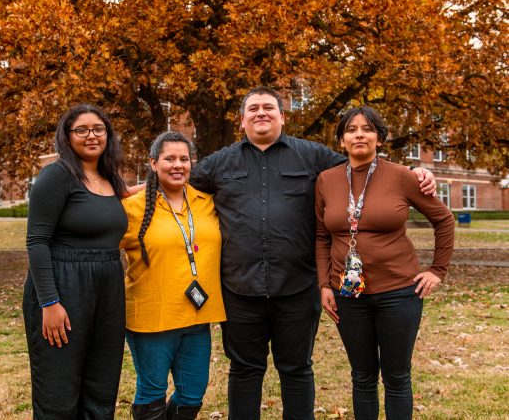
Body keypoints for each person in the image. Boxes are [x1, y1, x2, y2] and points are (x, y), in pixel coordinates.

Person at [189, 86, 436, 420]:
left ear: (282, 116)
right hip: (239, 287)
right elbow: (173, 179)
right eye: (253, 109)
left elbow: (364, 164)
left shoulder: (312, 156)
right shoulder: (219, 162)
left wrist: (415, 172)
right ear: (242, 119)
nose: (261, 113)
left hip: (297, 287)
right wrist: (118, 191)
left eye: (269, 108)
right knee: (245, 370)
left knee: (296, 369)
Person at [315, 106, 455, 420]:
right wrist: (324, 284)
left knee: (396, 377)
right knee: (362, 375)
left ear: (379, 138)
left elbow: (444, 220)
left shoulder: (402, 177)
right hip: (348, 295)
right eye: (351, 129)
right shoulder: (326, 180)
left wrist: (437, 270)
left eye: (367, 129)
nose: (359, 134)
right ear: (341, 141)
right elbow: (322, 236)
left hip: (399, 293)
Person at [22, 104, 128, 419]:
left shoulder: (108, 177)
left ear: (108, 135)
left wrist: (165, 182)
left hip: (108, 288)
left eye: (99, 128)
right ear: (67, 137)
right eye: (81, 130)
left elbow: (122, 202)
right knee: (59, 393)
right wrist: (50, 303)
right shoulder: (57, 175)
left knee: (101, 389)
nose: (91, 135)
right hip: (64, 287)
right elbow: (37, 241)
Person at [121, 131, 226, 420]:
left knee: (192, 393)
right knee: (152, 392)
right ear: (154, 163)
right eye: (169, 159)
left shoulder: (207, 202)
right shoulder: (133, 207)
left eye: (184, 158)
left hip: (197, 315)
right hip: (152, 317)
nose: (177, 165)